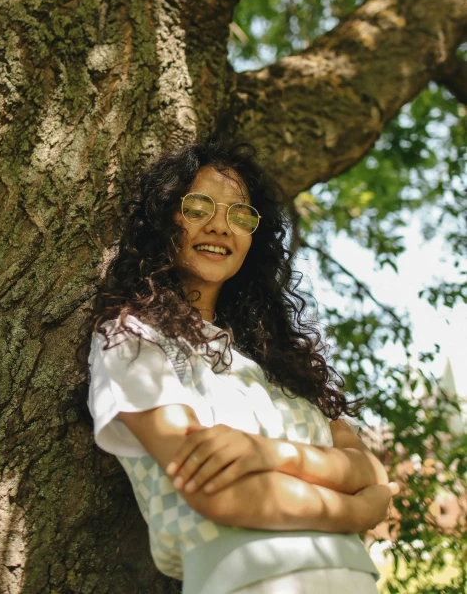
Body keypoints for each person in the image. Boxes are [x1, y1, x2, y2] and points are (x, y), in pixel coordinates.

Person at [87, 138, 398, 594]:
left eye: (239, 214)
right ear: (165, 217)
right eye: (198, 207)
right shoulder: (135, 339)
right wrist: (355, 508)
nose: (220, 226)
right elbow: (217, 492)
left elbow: (374, 475)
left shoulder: (281, 362)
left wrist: (265, 455)